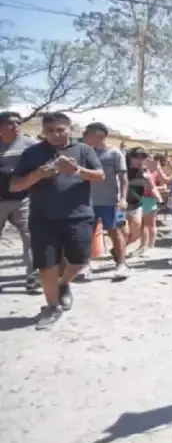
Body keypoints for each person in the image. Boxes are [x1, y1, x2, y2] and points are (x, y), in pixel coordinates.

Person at [10, 112, 104, 330]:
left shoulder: (83, 150)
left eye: (60, 130)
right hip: (42, 218)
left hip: (78, 215)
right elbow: (15, 185)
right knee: (46, 266)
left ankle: (62, 284)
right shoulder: (32, 153)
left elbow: (100, 176)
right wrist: (37, 175)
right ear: (43, 131)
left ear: (70, 129)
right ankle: (52, 306)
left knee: (79, 260)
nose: (55, 134)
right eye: (50, 130)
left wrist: (77, 170)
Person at [82, 122, 130, 280]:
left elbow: (123, 178)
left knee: (115, 232)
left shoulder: (115, 153)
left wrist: (123, 198)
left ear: (100, 134)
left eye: (88, 132)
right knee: (87, 233)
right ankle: (85, 264)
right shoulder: (87, 152)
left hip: (110, 201)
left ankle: (121, 264)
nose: (84, 135)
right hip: (88, 201)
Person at [0, 111, 38, 291]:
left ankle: (33, 278)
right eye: (10, 122)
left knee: (31, 236)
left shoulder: (29, 144)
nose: (16, 125)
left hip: (23, 199)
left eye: (18, 122)